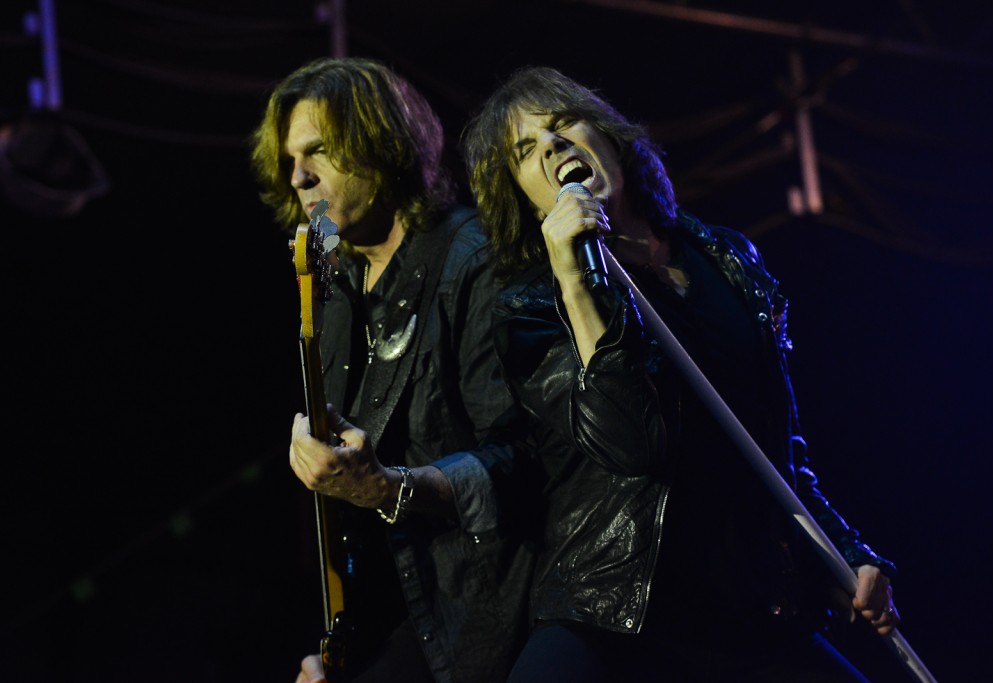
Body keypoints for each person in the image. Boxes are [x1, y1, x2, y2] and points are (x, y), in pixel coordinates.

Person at [461, 65, 902, 682]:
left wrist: (844, 552)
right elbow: (631, 443)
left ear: (610, 136)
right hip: (618, 611)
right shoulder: (531, 305)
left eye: (564, 124)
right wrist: (575, 279)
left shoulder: (725, 256)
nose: (553, 145)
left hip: (750, 607)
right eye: (526, 150)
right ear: (523, 195)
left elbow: (777, 447)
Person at [250, 57, 536, 683]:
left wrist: (388, 487)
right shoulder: (334, 290)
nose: (298, 176)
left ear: (380, 145)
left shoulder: (472, 259)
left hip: (491, 616)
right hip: (398, 622)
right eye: (290, 159)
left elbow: (526, 459)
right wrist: (337, 654)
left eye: (318, 151)